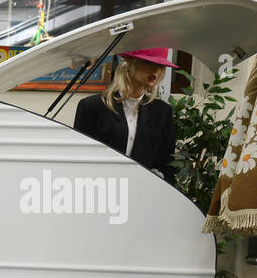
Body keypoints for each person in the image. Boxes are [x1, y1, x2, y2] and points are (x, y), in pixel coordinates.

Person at [73, 48, 178, 183]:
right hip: (99, 191)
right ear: (129, 63)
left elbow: (167, 163)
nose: (155, 71)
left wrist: (158, 179)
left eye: (160, 66)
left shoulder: (162, 112)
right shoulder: (92, 107)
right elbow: (79, 159)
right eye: (148, 63)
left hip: (142, 193)